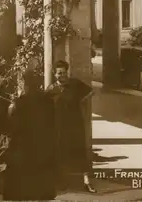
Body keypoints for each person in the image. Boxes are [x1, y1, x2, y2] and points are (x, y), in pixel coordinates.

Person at [3, 70, 57, 201]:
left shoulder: (19, 102)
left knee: (22, 174)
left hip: (23, 144)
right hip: (42, 143)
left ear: (24, 84)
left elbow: (12, 124)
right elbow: (53, 122)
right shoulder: (47, 100)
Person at [46, 60, 96, 193]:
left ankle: (86, 182)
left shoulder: (75, 84)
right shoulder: (51, 89)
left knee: (79, 151)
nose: (61, 75)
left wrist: (80, 101)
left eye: (63, 72)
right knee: (61, 152)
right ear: (54, 74)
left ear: (67, 72)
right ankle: (62, 182)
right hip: (59, 126)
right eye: (58, 73)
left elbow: (91, 92)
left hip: (75, 124)